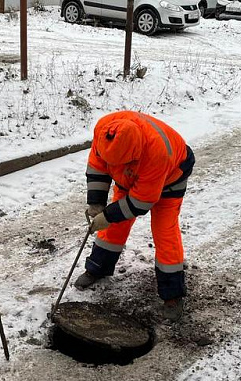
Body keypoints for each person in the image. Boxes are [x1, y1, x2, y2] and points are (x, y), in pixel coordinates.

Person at [75, 111, 195, 322]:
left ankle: (172, 294)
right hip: (130, 179)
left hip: (170, 179)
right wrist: (96, 202)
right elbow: (97, 167)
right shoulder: (104, 130)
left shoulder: (157, 152)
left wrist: (108, 215)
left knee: (164, 231)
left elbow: (141, 202)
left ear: (134, 153)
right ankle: (98, 268)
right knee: (114, 227)